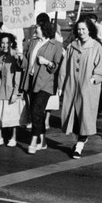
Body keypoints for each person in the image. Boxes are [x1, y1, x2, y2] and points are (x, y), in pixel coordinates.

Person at [58, 17, 102, 159]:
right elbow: (64, 67)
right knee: (73, 117)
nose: (81, 32)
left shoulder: (96, 46)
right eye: (79, 29)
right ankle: (79, 140)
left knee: (85, 117)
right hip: (72, 87)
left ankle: (79, 146)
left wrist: (94, 79)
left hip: (88, 89)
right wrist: (61, 85)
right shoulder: (72, 46)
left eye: (84, 29)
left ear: (89, 30)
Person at [21, 21, 63, 154]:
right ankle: (43, 141)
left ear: (44, 29)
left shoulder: (56, 45)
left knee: (36, 111)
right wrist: (20, 58)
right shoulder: (33, 42)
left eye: (37, 27)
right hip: (32, 81)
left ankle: (33, 141)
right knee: (37, 113)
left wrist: (47, 62)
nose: (35, 29)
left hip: (46, 83)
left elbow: (56, 66)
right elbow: (27, 61)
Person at [0, 33, 29, 148]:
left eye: (7, 43)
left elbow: (19, 73)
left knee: (12, 113)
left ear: (12, 43)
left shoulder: (15, 55)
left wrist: (15, 92)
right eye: (3, 43)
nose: (5, 45)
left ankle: (13, 137)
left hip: (11, 86)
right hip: (0, 85)